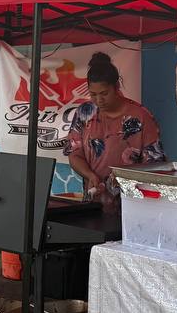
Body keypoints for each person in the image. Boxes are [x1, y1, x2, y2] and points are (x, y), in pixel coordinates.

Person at [64, 51, 165, 208]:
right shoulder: (84, 113)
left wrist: (123, 178)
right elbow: (74, 155)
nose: (99, 100)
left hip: (131, 204)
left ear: (116, 86)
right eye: (93, 94)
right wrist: (90, 175)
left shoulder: (141, 116)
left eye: (104, 93)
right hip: (93, 203)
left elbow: (156, 162)